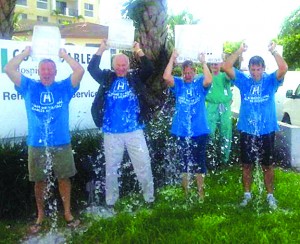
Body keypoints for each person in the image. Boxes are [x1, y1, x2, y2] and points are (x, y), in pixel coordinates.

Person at [4, 46, 84, 233]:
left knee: (64, 178)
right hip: (37, 143)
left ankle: (67, 213)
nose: (46, 73)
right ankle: (40, 215)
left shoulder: (64, 87)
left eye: (50, 70)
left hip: (61, 142)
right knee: (39, 180)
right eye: (43, 70)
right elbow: (9, 69)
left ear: (55, 72)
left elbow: (80, 71)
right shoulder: (29, 87)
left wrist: (64, 55)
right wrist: (24, 54)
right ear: (38, 72)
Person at [87, 40, 155, 209]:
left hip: (134, 130)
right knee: (111, 168)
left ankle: (149, 198)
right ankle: (111, 201)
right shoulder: (107, 77)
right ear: (113, 65)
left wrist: (138, 49)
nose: (121, 68)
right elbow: (91, 69)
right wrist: (101, 48)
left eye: (124, 65)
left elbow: (149, 69)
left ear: (128, 65)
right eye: (118, 65)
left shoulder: (135, 77)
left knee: (143, 164)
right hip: (111, 132)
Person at [222, 42, 288, 209]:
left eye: (258, 69)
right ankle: (247, 195)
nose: (255, 72)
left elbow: (284, 68)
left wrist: (273, 51)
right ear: (249, 69)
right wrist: (240, 50)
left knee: (267, 165)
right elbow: (226, 66)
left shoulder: (271, 80)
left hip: (266, 130)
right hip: (247, 129)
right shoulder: (244, 80)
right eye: (253, 69)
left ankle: (270, 196)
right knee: (246, 164)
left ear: (263, 68)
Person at [163, 50, 212, 200]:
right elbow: (166, 76)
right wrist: (172, 58)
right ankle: (186, 194)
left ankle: (201, 193)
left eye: (190, 72)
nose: (188, 75)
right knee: (184, 163)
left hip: (200, 130)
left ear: (195, 72)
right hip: (181, 131)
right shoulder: (178, 84)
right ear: (182, 73)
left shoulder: (200, 83)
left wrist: (203, 62)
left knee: (200, 163)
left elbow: (209, 80)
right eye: (185, 72)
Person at [206, 61, 233, 168]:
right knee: (209, 131)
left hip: (224, 107)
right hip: (211, 107)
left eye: (216, 64)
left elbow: (230, 76)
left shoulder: (224, 76)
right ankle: (209, 157)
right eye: (212, 64)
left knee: (226, 131)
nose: (214, 66)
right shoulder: (207, 77)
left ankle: (224, 160)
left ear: (221, 64)